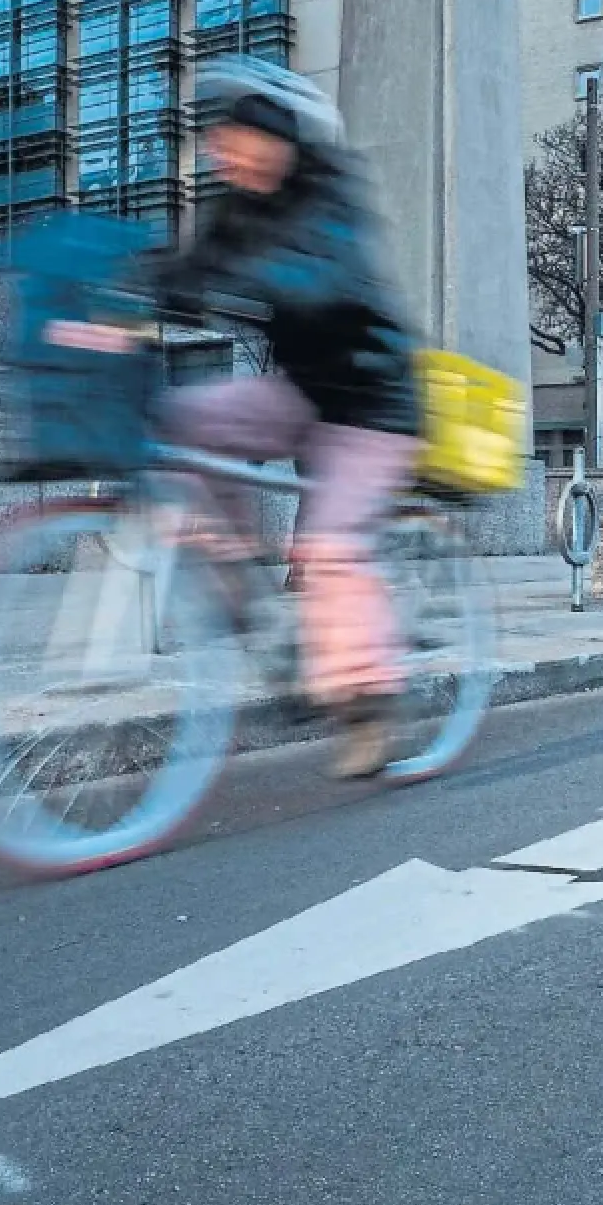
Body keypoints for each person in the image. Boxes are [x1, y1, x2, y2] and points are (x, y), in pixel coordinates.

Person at [150, 56, 424, 780]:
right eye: (216, 140)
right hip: (299, 392)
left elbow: (327, 281)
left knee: (329, 550)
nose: (220, 151)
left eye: (234, 137)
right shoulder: (238, 208)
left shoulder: (331, 196)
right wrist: (118, 295)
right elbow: (187, 272)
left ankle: (368, 707)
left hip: (371, 406)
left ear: (279, 140)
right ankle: (238, 575)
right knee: (181, 418)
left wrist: (239, 279)